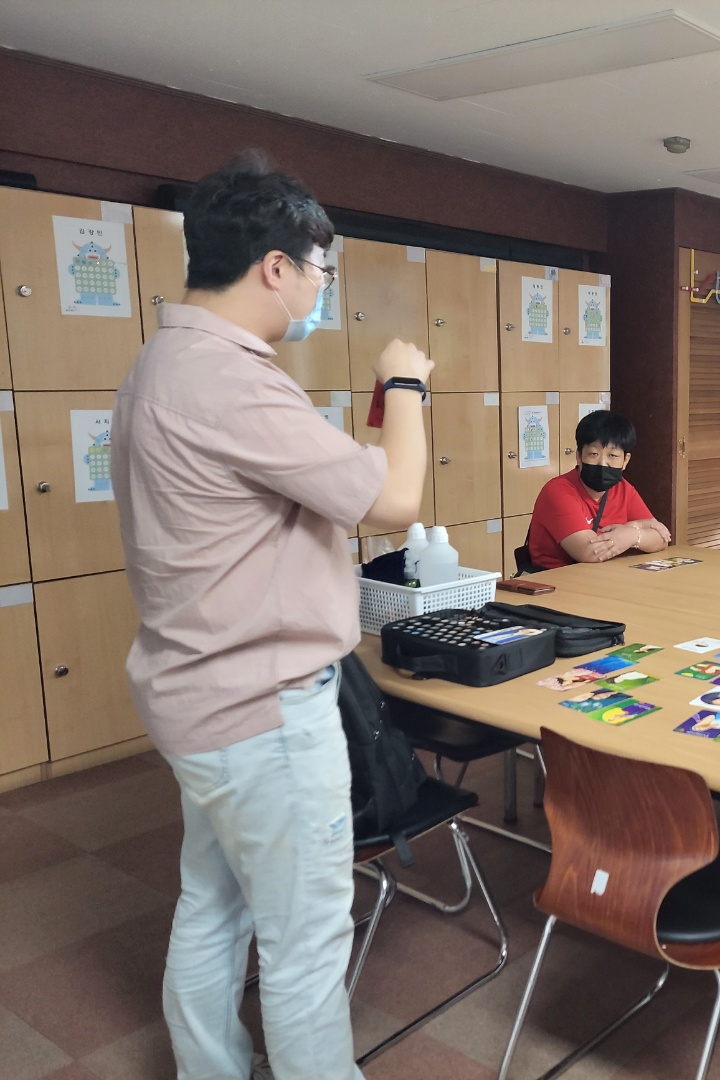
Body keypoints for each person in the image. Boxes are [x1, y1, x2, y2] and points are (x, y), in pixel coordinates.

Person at [112, 152, 433, 1080]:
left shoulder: (163, 361)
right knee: (305, 941)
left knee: (212, 907)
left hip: (200, 701)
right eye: (320, 269)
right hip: (265, 715)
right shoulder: (230, 379)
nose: (323, 288)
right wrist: (406, 385)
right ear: (276, 266)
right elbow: (394, 500)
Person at [525, 409, 672, 569]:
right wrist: (637, 531)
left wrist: (631, 533)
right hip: (555, 579)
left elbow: (661, 538)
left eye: (612, 456)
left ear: (625, 461)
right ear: (579, 456)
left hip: (603, 575)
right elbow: (590, 552)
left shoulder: (623, 488)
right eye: (593, 454)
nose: (602, 463)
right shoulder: (557, 491)